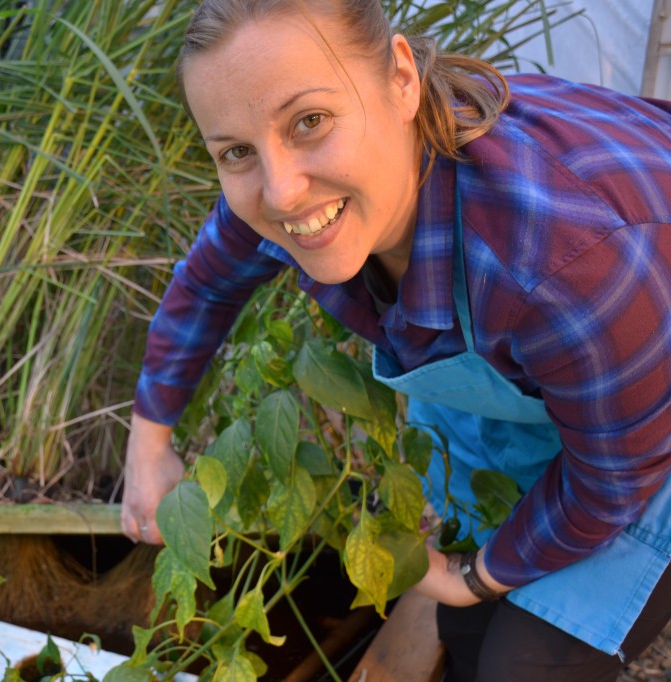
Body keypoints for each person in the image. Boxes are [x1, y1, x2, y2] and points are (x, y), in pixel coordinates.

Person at [118, 0, 671, 680]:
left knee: (526, 665)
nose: (283, 192)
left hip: (648, 392)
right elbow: (207, 283)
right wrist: (148, 445)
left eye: (311, 122)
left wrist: (477, 574)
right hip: (597, 370)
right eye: (236, 151)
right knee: (465, 632)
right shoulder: (285, 191)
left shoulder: (560, 261)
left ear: (401, 79)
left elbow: (615, 476)